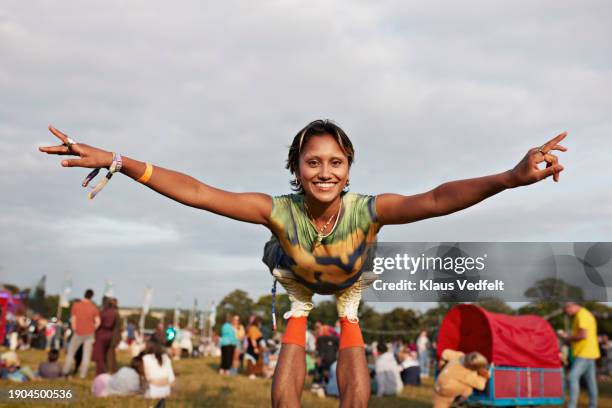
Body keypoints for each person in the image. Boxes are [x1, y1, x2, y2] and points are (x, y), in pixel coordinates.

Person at [40, 120, 567, 407]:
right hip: (293, 274)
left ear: (348, 168)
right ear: (296, 168)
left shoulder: (369, 210)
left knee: (348, 318)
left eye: (335, 162)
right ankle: (297, 312)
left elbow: (434, 199)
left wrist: (508, 177)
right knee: (296, 318)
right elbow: (200, 192)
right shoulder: (278, 210)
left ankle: (346, 311)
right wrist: (119, 161)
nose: (324, 171)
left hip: (350, 278)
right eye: (313, 161)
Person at [559, 302, 599, 408]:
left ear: (571, 305)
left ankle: (572, 406)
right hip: (589, 352)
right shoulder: (584, 314)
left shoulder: (582, 315)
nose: (566, 312)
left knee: (572, 377)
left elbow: (582, 335)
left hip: (584, 353)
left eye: (566, 309)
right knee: (591, 382)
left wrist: (567, 337)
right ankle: (593, 405)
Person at [63, 289, 100, 378]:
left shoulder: (76, 305)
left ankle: (65, 371)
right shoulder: (94, 308)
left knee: (71, 353)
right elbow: (98, 321)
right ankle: (82, 374)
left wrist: (74, 328)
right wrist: (93, 328)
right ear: (92, 296)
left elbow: (73, 319)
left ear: (84, 295)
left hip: (78, 333)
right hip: (89, 334)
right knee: (86, 355)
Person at [93, 296, 119, 375]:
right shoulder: (114, 312)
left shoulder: (104, 312)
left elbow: (98, 323)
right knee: (105, 354)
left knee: (99, 355)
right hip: (109, 334)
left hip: (102, 333)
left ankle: (100, 372)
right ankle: (105, 370)